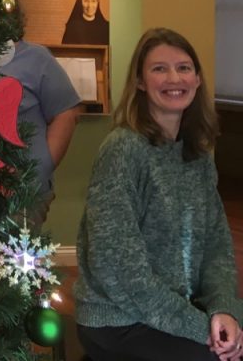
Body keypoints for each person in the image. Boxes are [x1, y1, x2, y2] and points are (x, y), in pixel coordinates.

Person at [75, 28, 243, 361]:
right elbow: (122, 272)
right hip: (118, 319)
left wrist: (225, 311)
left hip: (177, 310)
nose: (173, 78)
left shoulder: (198, 156)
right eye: (159, 68)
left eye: (183, 67)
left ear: (196, 79)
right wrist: (203, 330)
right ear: (139, 81)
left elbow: (217, 249)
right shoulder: (123, 151)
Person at [0, 3, 83, 226]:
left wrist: (39, 168)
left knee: (14, 259)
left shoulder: (36, 58)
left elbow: (67, 113)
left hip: (22, 192)